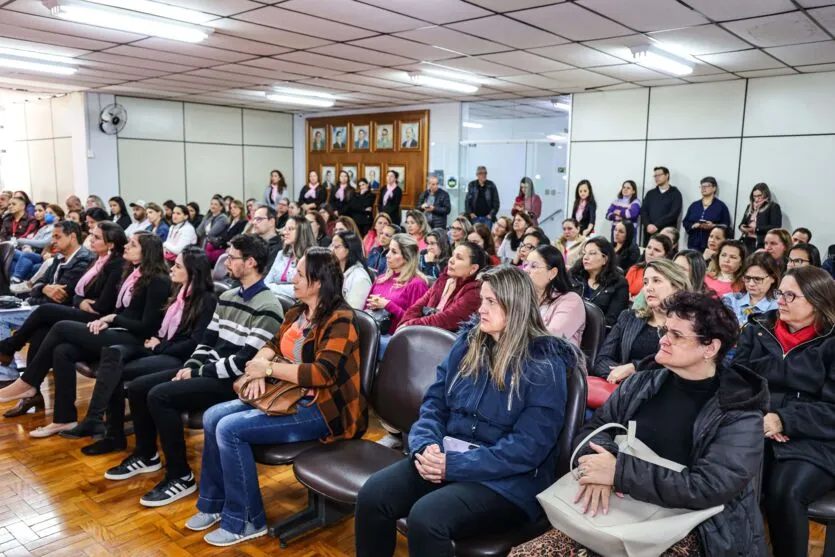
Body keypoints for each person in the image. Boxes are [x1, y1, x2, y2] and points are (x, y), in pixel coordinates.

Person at [511, 291, 767, 557]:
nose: (664, 340)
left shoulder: (738, 410)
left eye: (677, 336)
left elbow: (708, 487)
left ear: (710, 348)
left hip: (692, 525)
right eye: (666, 331)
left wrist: (619, 473)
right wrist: (599, 465)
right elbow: (594, 431)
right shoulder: (640, 384)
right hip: (619, 509)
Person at [356, 265, 578, 557]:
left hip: (508, 482)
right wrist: (426, 446)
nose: (481, 308)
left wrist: (453, 465)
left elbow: (528, 448)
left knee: (427, 518)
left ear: (517, 307)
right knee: (373, 495)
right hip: (450, 457)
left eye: (491, 302)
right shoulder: (469, 343)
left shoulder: (544, 364)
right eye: (482, 299)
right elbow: (434, 404)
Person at [187, 247, 365, 546]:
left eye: (299, 273)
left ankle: (246, 520)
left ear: (318, 281)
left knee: (229, 429)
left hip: (321, 408)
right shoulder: (298, 311)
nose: (292, 278)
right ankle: (213, 503)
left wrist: (267, 367)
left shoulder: (341, 319)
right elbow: (273, 341)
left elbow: (323, 374)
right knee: (213, 415)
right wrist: (258, 369)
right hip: (288, 393)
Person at [104, 235, 283, 508]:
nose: (226, 262)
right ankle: (147, 455)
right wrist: (190, 366)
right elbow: (207, 341)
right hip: (210, 370)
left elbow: (245, 363)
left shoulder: (268, 306)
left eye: (233, 257)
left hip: (233, 381)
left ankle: (180, 475)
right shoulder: (229, 295)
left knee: (160, 396)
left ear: (251, 263)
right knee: (139, 387)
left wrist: (199, 373)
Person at [1, 233, 172, 438]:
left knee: (61, 326)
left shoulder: (158, 280)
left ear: (147, 252)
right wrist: (107, 320)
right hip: (120, 330)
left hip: (136, 340)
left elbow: (146, 326)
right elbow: (123, 311)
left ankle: (28, 382)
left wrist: (111, 319)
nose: (126, 246)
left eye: (132, 244)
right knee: (63, 350)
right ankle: (64, 419)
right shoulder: (134, 272)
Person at [733, 266, 835, 557]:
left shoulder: (830, 343)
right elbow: (736, 382)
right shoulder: (758, 330)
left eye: (792, 295)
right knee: (728, 479)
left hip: (816, 440)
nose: (781, 301)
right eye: (780, 293)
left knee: (784, 492)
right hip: (757, 426)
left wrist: (785, 420)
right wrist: (765, 418)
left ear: (817, 302)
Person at [75, 247, 216, 455]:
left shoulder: (207, 299)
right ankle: (101, 425)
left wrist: (159, 345)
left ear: (193, 272)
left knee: (116, 372)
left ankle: (112, 434)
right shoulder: (178, 291)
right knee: (113, 354)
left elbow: (194, 342)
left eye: (177, 266)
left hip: (179, 357)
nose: (171, 270)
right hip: (160, 347)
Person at [0, 221, 128, 414]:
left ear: (110, 244)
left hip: (98, 321)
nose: (91, 240)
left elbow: (98, 304)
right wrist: (79, 300)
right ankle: (30, 389)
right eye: (91, 236)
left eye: (96, 237)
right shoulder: (97, 261)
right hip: (83, 312)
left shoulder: (114, 265)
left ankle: (12, 354)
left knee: (45, 312)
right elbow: (76, 293)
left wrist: (80, 300)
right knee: (42, 328)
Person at [0, 221, 94, 383]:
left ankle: (7, 373)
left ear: (72, 237)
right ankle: (9, 365)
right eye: (52, 237)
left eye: (57, 237)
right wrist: (43, 288)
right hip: (41, 306)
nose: (53, 241)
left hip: (56, 310)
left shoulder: (83, 260)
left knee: (4, 319)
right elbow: (36, 285)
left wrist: (40, 290)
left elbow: (61, 297)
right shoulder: (59, 257)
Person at [594, 260, 692, 382]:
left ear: (677, 286)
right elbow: (602, 360)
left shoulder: (688, 324)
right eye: (645, 283)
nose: (648, 288)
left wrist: (634, 368)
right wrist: (622, 376)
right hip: (622, 391)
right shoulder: (628, 317)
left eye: (656, 281)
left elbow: (677, 367)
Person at [399, 242, 485, 332]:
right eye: (453, 255)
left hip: (444, 343)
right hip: (422, 334)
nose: (451, 260)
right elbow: (417, 307)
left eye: (459, 258)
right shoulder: (443, 280)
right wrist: (404, 324)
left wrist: (409, 325)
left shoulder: (475, 292)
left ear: (473, 269)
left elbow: (447, 319)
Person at [365, 234, 429, 332]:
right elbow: (365, 308)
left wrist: (388, 305)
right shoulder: (381, 279)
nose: (387, 255)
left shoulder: (417, 284)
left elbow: (415, 324)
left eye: (394, 252)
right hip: (371, 333)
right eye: (389, 250)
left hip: (395, 339)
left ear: (407, 257)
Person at [523, 245, 585, 346]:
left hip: (555, 358)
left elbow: (549, 339)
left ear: (552, 273)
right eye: (526, 265)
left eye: (533, 266)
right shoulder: (526, 297)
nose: (526, 270)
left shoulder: (571, 301)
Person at [570, 237, 629, 327]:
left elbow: (611, 321)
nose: (585, 257)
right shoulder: (574, 275)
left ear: (605, 259)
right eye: (584, 253)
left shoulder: (619, 283)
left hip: (597, 334)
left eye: (592, 253)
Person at [722, 252, 781, 327]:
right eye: (747, 278)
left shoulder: (780, 306)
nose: (751, 284)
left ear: (773, 278)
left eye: (757, 279)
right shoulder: (729, 300)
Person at [265, 216, 316, 298]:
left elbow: (301, 289)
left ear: (302, 231)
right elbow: (267, 281)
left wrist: (272, 287)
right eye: (285, 229)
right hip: (274, 297)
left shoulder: (311, 257)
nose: (285, 232)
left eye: (290, 229)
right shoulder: (281, 254)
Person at [682, 176, 732, 251]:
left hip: (711, 244)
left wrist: (713, 226)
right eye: (701, 186)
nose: (703, 188)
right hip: (693, 243)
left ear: (714, 188)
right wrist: (693, 226)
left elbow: (726, 224)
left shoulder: (721, 206)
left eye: (706, 186)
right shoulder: (694, 205)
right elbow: (685, 221)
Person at [330, 231, 374, 310]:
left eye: (336, 247)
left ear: (349, 249)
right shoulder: (334, 270)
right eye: (332, 246)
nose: (332, 250)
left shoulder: (360, 278)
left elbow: (354, 311)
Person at [640, 166, 682, 246]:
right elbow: (643, 211)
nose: (657, 178)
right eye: (655, 176)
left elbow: (674, 214)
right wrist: (648, 225)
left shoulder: (675, 193)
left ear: (667, 176)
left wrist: (656, 225)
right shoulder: (650, 193)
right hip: (649, 232)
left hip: (666, 233)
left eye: (659, 175)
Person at [739, 183, 782, 252]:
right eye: (754, 196)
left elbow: (776, 227)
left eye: (759, 196)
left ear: (765, 194)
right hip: (746, 240)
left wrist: (756, 229)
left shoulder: (773, 206)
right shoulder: (750, 206)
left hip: (761, 242)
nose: (756, 199)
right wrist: (742, 227)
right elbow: (742, 223)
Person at [205, 199, 246, 264]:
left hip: (230, 247)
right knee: (208, 246)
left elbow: (237, 237)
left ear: (241, 209)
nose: (232, 210)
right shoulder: (229, 222)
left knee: (210, 255)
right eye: (231, 208)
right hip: (222, 244)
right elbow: (223, 235)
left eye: (235, 207)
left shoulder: (243, 222)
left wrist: (224, 240)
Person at [249, 205, 282, 271]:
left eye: (259, 219)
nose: (254, 222)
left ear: (271, 222)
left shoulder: (280, 247)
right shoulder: (250, 240)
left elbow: (266, 273)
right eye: (254, 219)